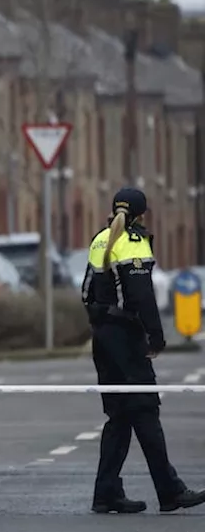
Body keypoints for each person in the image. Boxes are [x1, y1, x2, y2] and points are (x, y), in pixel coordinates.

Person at [81, 187, 205, 514]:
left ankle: (106, 492)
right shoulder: (133, 241)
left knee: (120, 417)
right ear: (142, 214)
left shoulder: (100, 239)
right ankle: (170, 490)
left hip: (103, 338)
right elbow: (142, 296)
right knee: (145, 409)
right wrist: (156, 336)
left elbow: (86, 293)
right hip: (126, 339)